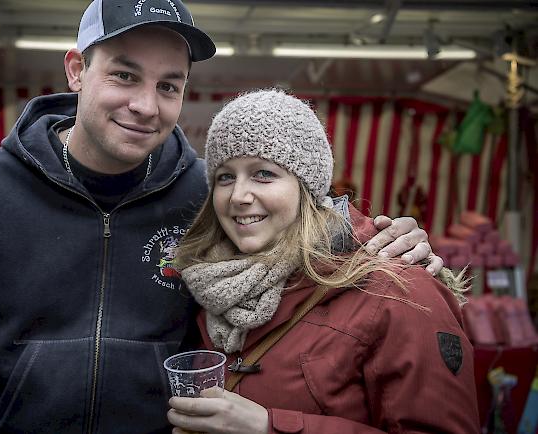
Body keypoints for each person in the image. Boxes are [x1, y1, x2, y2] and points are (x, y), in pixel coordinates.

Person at [0, 2, 441, 433]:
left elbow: (301, 250)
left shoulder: (208, 193)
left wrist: (386, 244)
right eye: (125, 76)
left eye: (168, 86)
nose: (147, 105)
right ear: (77, 69)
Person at [167, 89, 479, 434]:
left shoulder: (398, 290)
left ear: (308, 187)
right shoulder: (209, 285)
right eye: (225, 177)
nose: (238, 196)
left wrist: (270, 427)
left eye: (263, 174)